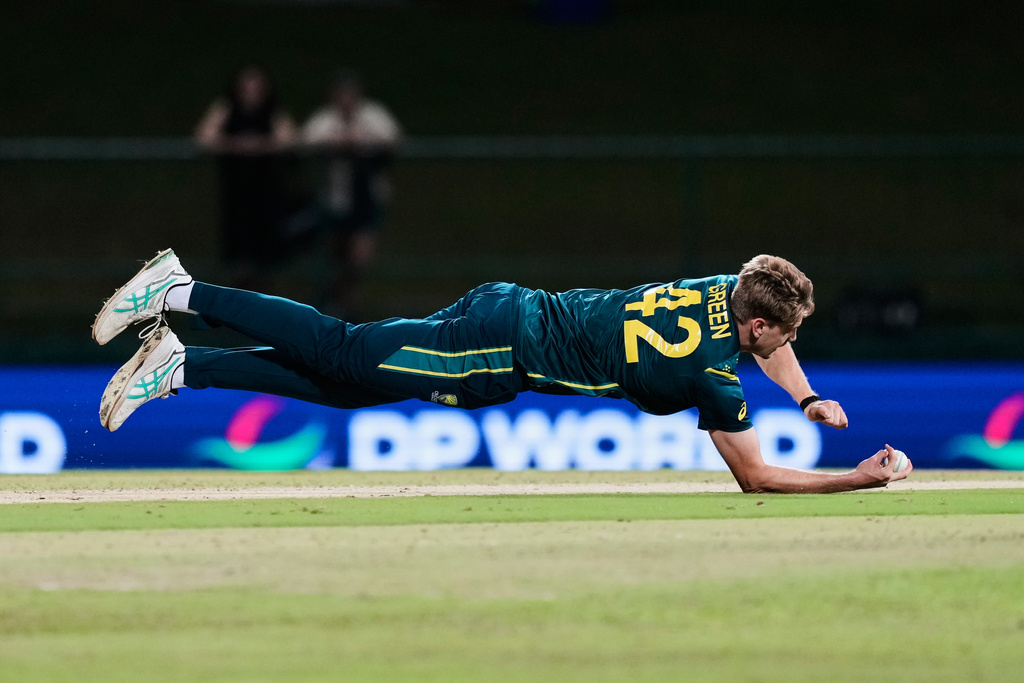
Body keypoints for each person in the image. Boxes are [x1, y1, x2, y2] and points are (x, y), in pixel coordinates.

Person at [91, 250, 913, 494]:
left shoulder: (723, 287)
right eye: (785, 334)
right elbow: (757, 477)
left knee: (350, 385)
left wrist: (807, 395)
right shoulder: (711, 373)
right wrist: (857, 477)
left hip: (509, 309)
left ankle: (182, 364)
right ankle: (179, 290)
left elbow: (767, 339)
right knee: (341, 349)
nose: (785, 344)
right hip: (495, 352)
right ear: (757, 323)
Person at [298, 70, 401, 317]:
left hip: (368, 197)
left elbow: (392, 137)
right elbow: (305, 139)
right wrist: (336, 142)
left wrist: (360, 141)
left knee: (360, 257)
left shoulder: (373, 114)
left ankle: (347, 306)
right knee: (334, 254)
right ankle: (335, 304)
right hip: (334, 198)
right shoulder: (325, 118)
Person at [195, 65, 297, 289]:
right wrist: (236, 145)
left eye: (257, 88)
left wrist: (259, 145)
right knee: (237, 246)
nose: (251, 93)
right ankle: (238, 294)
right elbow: (204, 137)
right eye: (246, 88)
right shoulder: (226, 107)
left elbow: (289, 137)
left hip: (266, 189)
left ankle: (262, 293)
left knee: (265, 248)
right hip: (235, 190)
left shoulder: (271, 110)